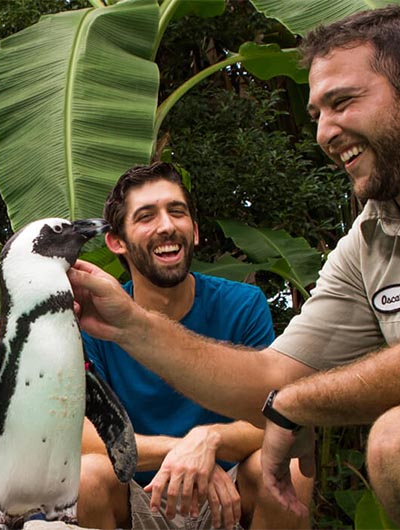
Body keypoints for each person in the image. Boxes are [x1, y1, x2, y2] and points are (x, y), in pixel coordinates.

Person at [68, 6, 400, 529]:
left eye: (344, 102)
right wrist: (129, 323)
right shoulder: (372, 237)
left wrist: (291, 406)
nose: (326, 133)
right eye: (316, 116)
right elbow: (273, 377)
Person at [75, 162, 311, 530]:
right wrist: (180, 450)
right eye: (146, 216)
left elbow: (277, 417)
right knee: (85, 477)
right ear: (116, 241)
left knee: (290, 469)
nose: (167, 226)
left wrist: (210, 439)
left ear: (195, 231)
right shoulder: (97, 319)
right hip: (141, 495)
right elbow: (85, 438)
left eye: (177, 212)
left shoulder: (242, 304)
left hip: (228, 498)